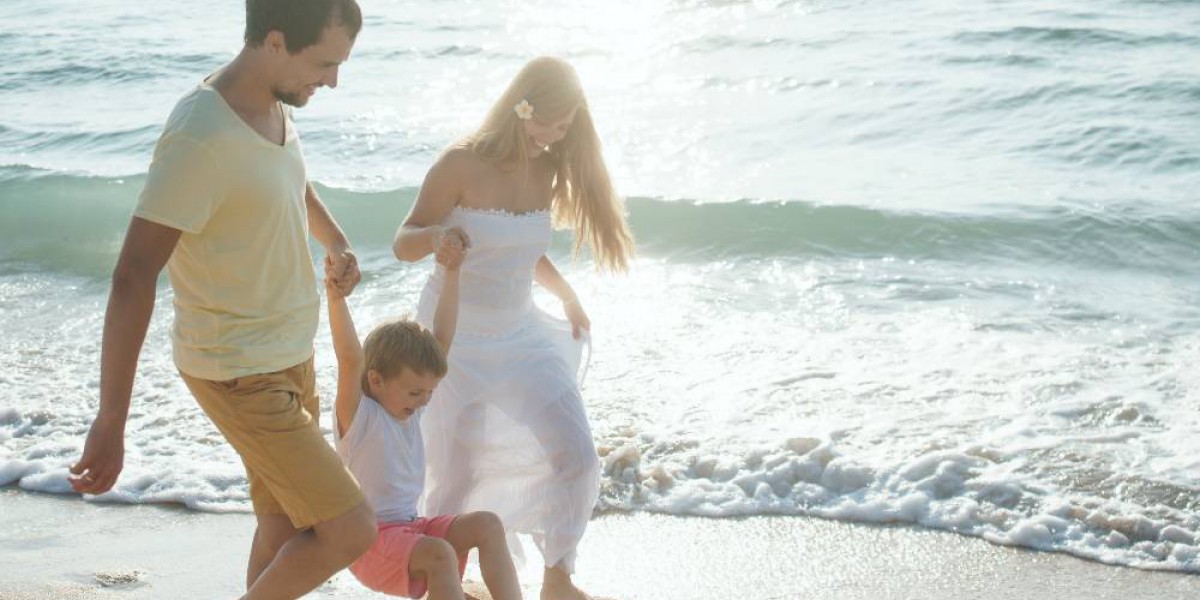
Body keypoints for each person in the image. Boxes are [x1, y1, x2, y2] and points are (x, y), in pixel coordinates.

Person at [68, 2, 376, 598]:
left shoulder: (275, 105)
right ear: (277, 41)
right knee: (349, 529)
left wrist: (334, 240)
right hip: (239, 371)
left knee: (285, 527)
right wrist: (111, 420)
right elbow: (133, 275)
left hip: (289, 353)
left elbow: (292, 179)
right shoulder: (200, 134)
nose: (334, 80)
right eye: (325, 63)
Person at [393, 56, 635, 600]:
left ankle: (557, 578)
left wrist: (567, 294)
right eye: (542, 122)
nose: (548, 136)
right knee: (452, 477)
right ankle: (442, 580)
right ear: (518, 107)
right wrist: (435, 240)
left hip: (521, 336)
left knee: (577, 455)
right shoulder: (461, 162)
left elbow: (520, 249)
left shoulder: (548, 171)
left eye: (562, 127)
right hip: (450, 340)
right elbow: (403, 239)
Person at [328, 228, 523, 600]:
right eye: (415, 392)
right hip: (369, 542)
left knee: (487, 524)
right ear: (376, 379)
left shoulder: (406, 407)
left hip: (410, 530)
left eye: (429, 392)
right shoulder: (360, 417)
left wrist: (452, 272)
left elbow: (443, 338)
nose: (423, 402)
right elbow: (348, 358)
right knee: (440, 554)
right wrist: (336, 299)